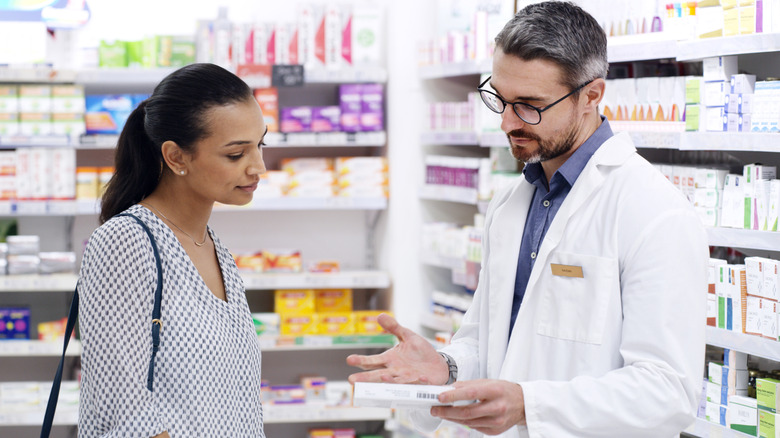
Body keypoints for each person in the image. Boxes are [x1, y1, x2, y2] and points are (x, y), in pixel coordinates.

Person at [347, 2, 708, 437]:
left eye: (529, 106)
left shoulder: (654, 212)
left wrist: (529, 405)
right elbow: (488, 340)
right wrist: (444, 367)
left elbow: (669, 392)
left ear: (591, 95)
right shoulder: (511, 203)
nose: (506, 122)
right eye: (499, 98)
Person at [78, 63, 267, 437]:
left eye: (261, 145)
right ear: (176, 157)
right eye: (236, 155)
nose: (259, 167)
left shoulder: (215, 248)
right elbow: (126, 411)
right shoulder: (125, 243)